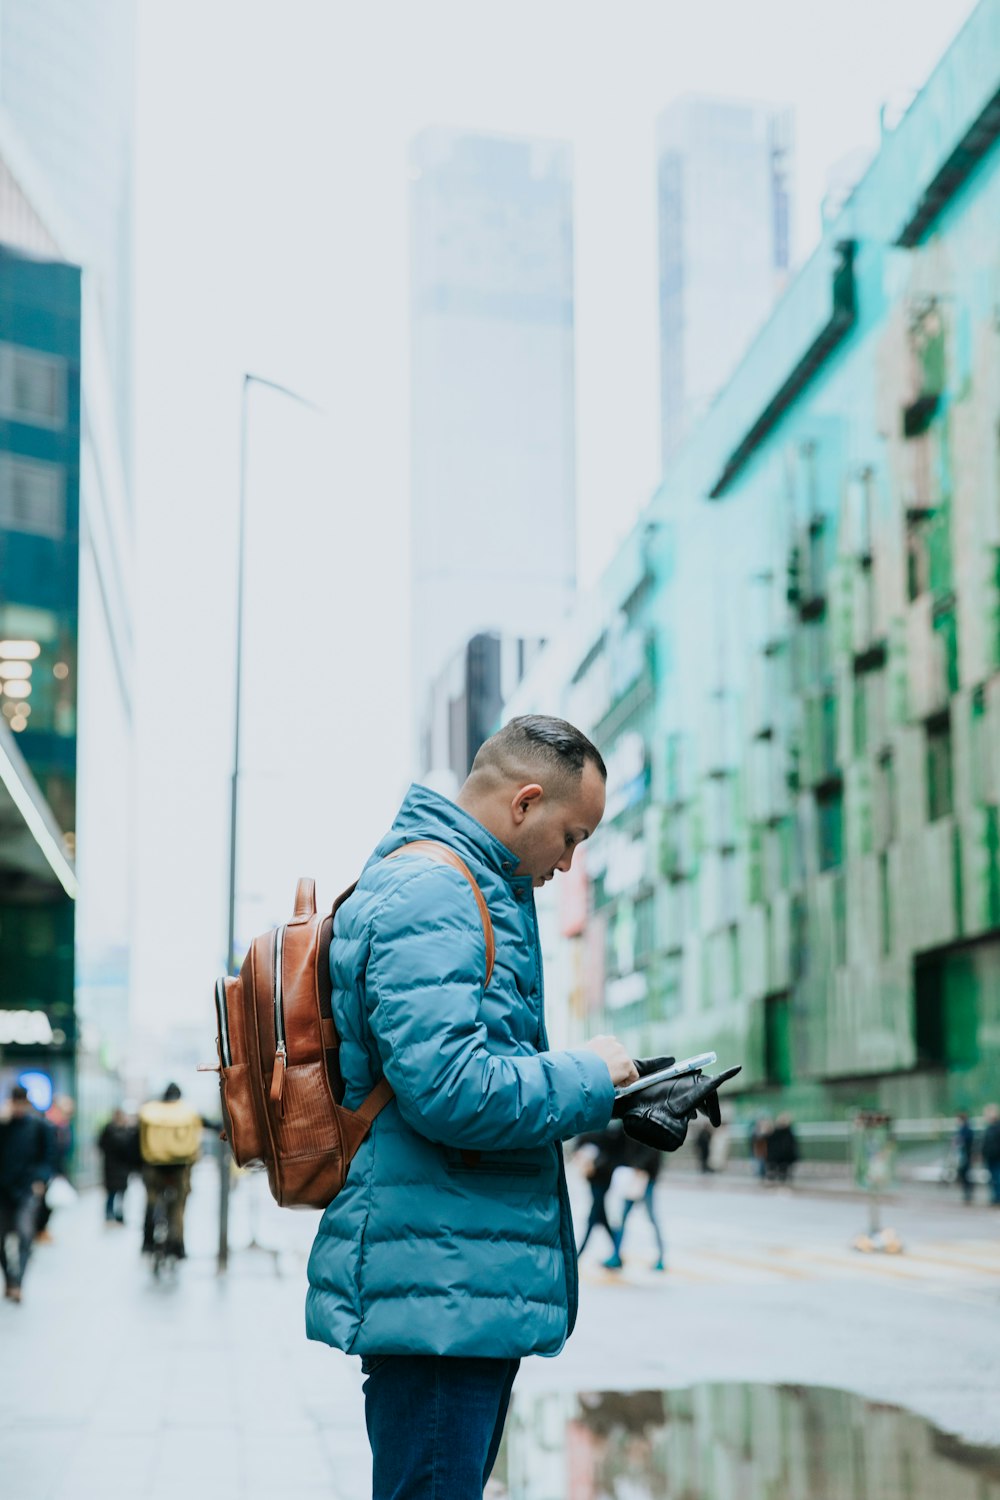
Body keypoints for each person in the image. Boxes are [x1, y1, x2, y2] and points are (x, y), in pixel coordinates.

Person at [306, 716, 641, 1499]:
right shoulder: (435, 890)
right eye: (572, 835)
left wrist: (620, 1096)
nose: (569, 860)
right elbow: (450, 1087)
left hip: (454, 1276)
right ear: (526, 801)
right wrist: (589, 1076)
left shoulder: (460, 888)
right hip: (440, 1289)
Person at [0, 1084, 56, 1302]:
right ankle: (11, 1279)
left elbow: (49, 1156)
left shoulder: (39, 1127)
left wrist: (40, 1180)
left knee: (25, 1235)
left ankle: (19, 1282)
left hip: (26, 1189)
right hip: (3, 1190)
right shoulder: (4, 1126)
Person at [139, 1083, 201, 1257]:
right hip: (180, 1167)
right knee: (178, 1206)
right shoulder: (187, 1111)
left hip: (153, 1165)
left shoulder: (150, 1111)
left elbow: (139, 1138)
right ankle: (178, 1246)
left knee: (151, 1202)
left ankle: (148, 1242)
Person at [608, 1136, 666, 1272]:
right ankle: (616, 1255)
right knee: (621, 1218)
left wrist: (639, 1166)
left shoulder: (650, 1123)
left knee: (651, 1218)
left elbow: (653, 1150)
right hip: (634, 1176)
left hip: (645, 1177)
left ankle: (661, 1258)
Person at [572, 1120, 628, 1260]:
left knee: (594, 1216)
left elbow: (617, 1151)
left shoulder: (614, 1126)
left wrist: (596, 1164)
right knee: (600, 1215)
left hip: (604, 1175)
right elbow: (581, 1141)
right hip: (593, 1176)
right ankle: (616, 1252)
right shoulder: (592, 1123)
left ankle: (579, 1254)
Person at [97, 1107, 137, 1224]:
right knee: (116, 1193)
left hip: (113, 1166)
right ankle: (115, 1214)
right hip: (119, 1167)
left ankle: (111, 1214)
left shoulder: (109, 1130)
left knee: (113, 1193)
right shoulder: (124, 1132)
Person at [766, 1113, 799, 1185]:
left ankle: (780, 1181)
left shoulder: (788, 1131)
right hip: (777, 1155)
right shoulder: (776, 1131)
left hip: (784, 1155)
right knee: (774, 1169)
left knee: (783, 1170)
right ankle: (775, 1181)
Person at [954, 1111, 975, 1205]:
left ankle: (968, 1193)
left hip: (965, 1155)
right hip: (964, 1155)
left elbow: (965, 1141)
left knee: (966, 1174)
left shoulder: (966, 1129)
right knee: (964, 1174)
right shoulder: (963, 1129)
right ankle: (967, 1193)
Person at [981, 1104, 1000, 1207]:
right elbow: (985, 1143)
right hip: (990, 1157)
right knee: (992, 1179)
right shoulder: (989, 1128)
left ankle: (998, 1197)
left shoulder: (997, 1127)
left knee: (997, 1178)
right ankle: (995, 1197)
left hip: (997, 1157)